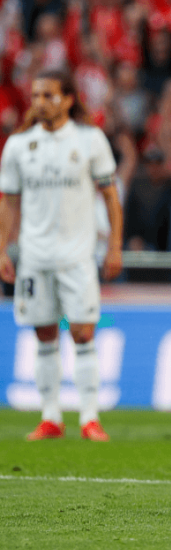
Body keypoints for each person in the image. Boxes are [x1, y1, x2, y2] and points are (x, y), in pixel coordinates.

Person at [0, 70, 123, 441]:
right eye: (36, 95)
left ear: (69, 99)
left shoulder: (89, 140)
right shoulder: (19, 146)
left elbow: (111, 197)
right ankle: (51, 416)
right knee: (44, 336)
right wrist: (4, 248)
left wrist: (114, 245)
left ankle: (89, 417)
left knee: (83, 333)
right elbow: (10, 202)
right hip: (34, 257)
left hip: (77, 256)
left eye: (49, 95)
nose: (40, 102)